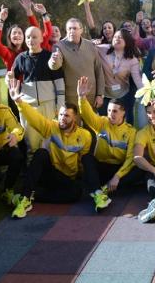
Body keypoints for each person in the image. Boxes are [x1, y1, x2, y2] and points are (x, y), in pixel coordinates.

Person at [8, 79, 92, 219]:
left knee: (76, 193)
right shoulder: (51, 127)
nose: (62, 119)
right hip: (49, 172)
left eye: (66, 116)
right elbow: (35, 118)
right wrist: (19, 102)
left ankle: (35, 195)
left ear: (75, 118)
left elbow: (82, 162)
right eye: (60, 115)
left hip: (66, 178)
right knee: (41, 153)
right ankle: (25, 198)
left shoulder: (85, 135)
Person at [77, 76, 142, 210]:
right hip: (101, 167)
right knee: (87, 158)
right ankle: (99, 193)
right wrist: (82, 98)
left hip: (117, 170)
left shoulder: (131, 132)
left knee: (138, 167)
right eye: (109, 111)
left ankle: (106, 187)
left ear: (123, 113)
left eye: (115, 111)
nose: (111, 114)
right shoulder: (101, 122)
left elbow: (131, 158)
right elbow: (87, 114)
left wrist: (117, 177)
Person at [10, 26, 65, 153]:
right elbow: (12, 78)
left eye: (34, 37)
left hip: (49, 106)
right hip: (29, 108)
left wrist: (60, 106)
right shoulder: (20, 58)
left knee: (52, 142)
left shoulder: (49, 57)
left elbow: (59, 83)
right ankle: (33, 168)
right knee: (32, 144)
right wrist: (9, 79)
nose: (31, 40)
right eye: (28, 37)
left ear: (41, 39)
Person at [49, 17, 104, 108]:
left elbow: (99, 70)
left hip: (91, 95)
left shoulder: (91, 46)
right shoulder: (59, 46)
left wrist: (100, 94)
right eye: (69, 29)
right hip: (71, 97)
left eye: (74, 28)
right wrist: (54, 61)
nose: (71, 31)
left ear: (81, 30)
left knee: (90, 122)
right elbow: (55, 66)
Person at [95, 29, 143, 124]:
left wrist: (147, 93)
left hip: (123, 95)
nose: (117, 39)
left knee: (125, 123)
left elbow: (137, 80)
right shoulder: (104, 49)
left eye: (120, 37)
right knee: (105, 123)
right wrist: (94, 42)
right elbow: (87, 45)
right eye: (115, 37)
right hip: (105, 95)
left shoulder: (132, 60)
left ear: (127, 41)